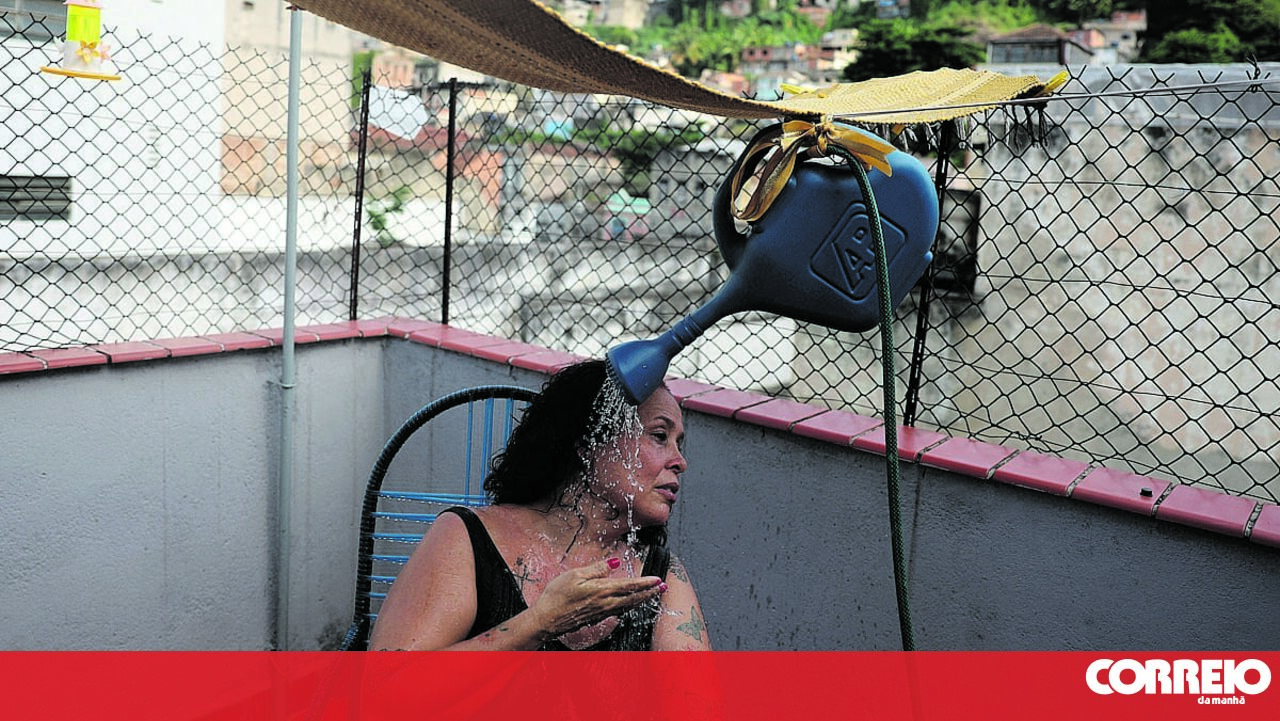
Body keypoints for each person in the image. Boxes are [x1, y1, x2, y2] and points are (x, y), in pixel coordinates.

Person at [369, 359, 712, 651]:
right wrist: (540, 622)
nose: (680, 462)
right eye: (659, 436)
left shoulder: (660, 574)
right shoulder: (467, 539)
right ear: (589, 442)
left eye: (678, 443)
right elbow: (386, 692)